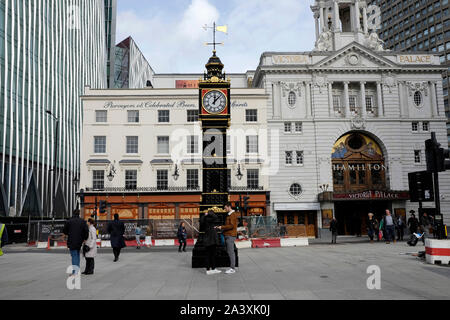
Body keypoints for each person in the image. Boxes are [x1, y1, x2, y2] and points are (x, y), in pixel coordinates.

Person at [63, 210, 89, 274]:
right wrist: (85, 238)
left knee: (74, 255)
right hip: (79, 240)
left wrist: (67, 233)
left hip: (71, 240)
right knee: (77, 254)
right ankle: (77, 269)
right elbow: (86, 231)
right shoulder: (82, 221)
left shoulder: (69, 221)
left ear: (73, 213)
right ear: (79, 214)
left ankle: (75, 271)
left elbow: (65, 231)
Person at [217, 202, 238, 274]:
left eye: (225, 208)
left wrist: (222, 227)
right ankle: (232, 267)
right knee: (230, 251)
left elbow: (231, 225)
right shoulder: (231, 215)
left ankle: (232, 268)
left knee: (231, 252)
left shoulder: (232, 215)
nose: (224, 209)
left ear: (229, 207)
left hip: (230, 235)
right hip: (229, 235)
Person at [201, 210, 221, 275]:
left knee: (209, 255)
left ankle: (210, 269)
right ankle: (211, 269)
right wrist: (209, 213)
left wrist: (205, 214)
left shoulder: (204, 219)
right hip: (212, 240)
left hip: (207, 240)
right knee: (211, 255)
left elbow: (202, 220)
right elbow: (215, 217)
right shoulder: (210, 219)